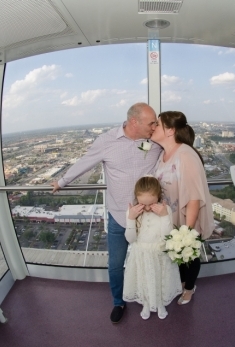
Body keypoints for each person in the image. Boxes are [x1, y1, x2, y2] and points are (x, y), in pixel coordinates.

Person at [51, 103, 162, 323]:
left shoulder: (155, 141)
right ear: (134, 122)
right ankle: (118, 302)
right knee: (115, 264)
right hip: (120, 217)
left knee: (149, 258)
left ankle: (148, 295)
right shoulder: (106, 141)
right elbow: (85, 162)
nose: (155, 126)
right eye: (151, 122)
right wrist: (62, 182)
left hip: (148, 217)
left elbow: (175, 149)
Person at [151, 111, 215, 305]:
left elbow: (194, 197)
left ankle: (189, 288)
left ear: (170, 130)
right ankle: (181, 283)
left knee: (189, 255)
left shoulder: (185, 155)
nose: (153, 128)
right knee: (177, 256)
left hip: (187, 217)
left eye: (157, 125)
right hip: (171, 217)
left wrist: (187, 232)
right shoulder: (163, 154)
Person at [123, 176, 182, 320]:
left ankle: (160, 303)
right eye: (143, 204)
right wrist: (131, 218)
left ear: (159, 197)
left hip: (159, 253)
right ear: (137, 199)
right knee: (144, 279)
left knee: (160, 279)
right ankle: (146, 303)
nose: (148, 208)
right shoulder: (132, 212)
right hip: (141, 254)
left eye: (152, 203)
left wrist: (163, 216)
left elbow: (166, 236)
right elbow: (130, 239)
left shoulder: (165, 209)